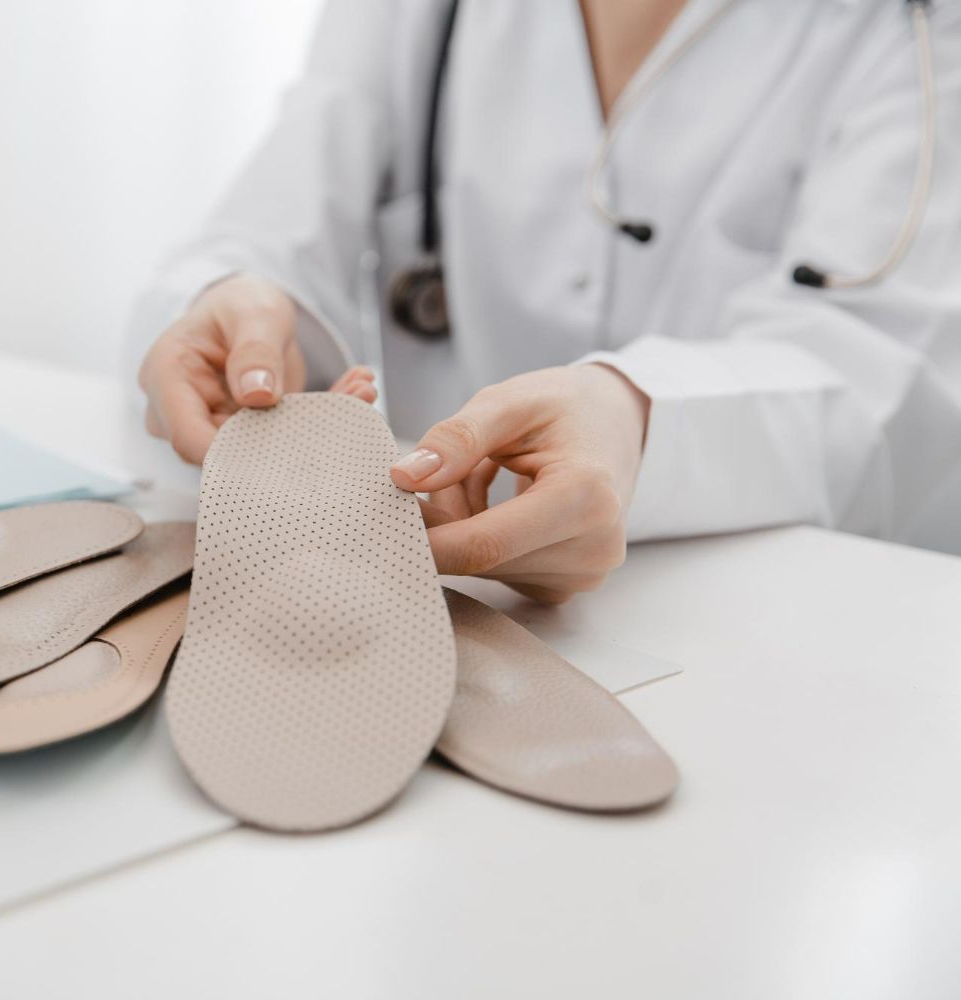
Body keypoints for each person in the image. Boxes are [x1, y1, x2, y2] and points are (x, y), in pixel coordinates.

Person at [128, 0, 961, 603]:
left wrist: (638, 420)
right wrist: (232, 305)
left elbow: (885, 376)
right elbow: (269, 222)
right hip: (431, 599)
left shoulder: (920, 28)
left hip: (783, 616)